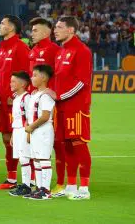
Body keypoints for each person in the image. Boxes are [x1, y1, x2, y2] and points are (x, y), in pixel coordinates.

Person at [53, 16, 93, 200]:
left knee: (78, 144)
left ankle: (84, 188)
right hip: (61, 107)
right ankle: (70, 185)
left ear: (71, 30)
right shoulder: (61, 52)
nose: (55, 30)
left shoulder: (82, 51)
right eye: (55, 27)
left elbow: (82, 82)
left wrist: (60, 96)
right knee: (67, 145)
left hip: (76, 107)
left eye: (60, 27)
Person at [28, 17, 64, 193]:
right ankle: (38, 183)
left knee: (56, 144)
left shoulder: (55, 50)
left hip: (49, 102)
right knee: (35, 145)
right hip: (34, 98)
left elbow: (59, 75)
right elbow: (31, 75)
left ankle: (61, 183)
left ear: (46, 32)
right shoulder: (33, 50)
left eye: (35, 30)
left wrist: (54, 92)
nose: (32, 33)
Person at [0, 15, 30, 189]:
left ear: (12, 27)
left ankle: (30, 179)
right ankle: (11, 178)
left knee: (20, 139)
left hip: (15, 102)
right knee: (6, 138)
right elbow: (0, 74)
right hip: (3, 102)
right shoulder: (2, 47)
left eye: (3, 23)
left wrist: (16, 94)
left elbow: (27, 74)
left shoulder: (21, 47)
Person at [26, 65, 57, 200]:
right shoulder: (36, 94)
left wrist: (31, 127)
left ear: (43, 78)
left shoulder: (46, 95)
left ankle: (46, 190)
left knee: (44, 159)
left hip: (43, 130)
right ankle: (39, 188)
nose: (32, 78)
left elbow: (45, 116)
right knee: (37, 160)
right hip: (35, 131)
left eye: (35, 75)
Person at [8, 71, 33, 197]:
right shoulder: (16, 97)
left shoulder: (26, 98)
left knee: (24, 158)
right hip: (17, 130)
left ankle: (27, 186)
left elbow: (30, 117)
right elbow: (16, 118)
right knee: (20, 158)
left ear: (23, 84)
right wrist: (13, 134)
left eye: (13, 81)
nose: (10, 84)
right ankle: (24, 184)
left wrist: (29, 133)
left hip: (24, 131)